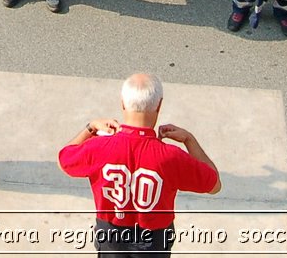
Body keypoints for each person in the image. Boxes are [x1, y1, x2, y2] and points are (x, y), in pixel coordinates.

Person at [59, 74, 222, 257]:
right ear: (159, 105)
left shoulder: (98, 148)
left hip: (111, 239)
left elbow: (65, 158)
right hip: (154, 244)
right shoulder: (171, 157)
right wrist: (189, 140)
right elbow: (214, 185)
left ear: (122, 103)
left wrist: (91, 128)